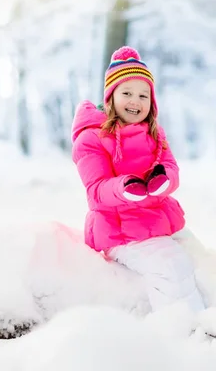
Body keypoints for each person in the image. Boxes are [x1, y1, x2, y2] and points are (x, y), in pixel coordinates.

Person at [71, 46, 205, 313]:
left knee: (200, 261)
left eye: (144, 95)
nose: (136, 101)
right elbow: (96, 190)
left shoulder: (154, 133)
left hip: (156, 219)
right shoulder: (91, 138)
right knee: (170, 264)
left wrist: (162, 180)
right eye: (127, 93)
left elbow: (170, 168)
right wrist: (124, 188)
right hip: (120, 228)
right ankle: (184, 330)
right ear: (111, 97)